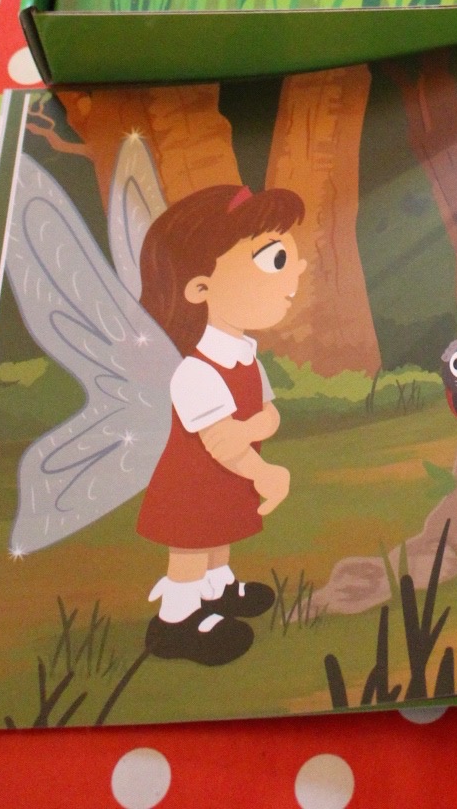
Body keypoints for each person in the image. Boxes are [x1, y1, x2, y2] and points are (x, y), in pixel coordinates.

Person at [135, 182, 305, 665]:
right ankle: (175, 622)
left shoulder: (245, 355)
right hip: (191, 485)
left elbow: (266, 417)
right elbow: (219, 443)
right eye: (276, 260)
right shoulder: (195, 371)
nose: (295, 273)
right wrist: (263, 470)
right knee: (192, 546)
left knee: (220, 535)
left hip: (227, 477)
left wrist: (247, 432)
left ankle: (217, 589)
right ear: (200, 289)